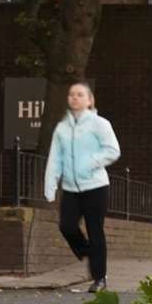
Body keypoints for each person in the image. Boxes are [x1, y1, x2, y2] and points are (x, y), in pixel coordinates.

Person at [44, 81, 121, 293]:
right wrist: (50, 185)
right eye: (71, 95)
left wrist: (90, 162)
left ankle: (99, 279)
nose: (75, 98)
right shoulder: (62, 129)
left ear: (89, 100)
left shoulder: (100, 124)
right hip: (70, 188)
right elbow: (55, 158)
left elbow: (113, 150)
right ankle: (89, 250)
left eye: (80, 95)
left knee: (95, 231)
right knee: (66, 226)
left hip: (96, 186)